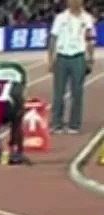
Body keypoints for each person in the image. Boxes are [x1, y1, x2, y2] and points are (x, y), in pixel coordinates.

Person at [48, 0, 95, 134]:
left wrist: (90, 58)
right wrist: (51, 59)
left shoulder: (87, 18)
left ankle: (74, 124)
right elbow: (53, 38)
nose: (74, 2)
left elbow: (90, 39)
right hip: (62, 56)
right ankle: (56, 123)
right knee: (59, 92)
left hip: (78, 57)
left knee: (77, 92)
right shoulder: (60, 18)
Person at [0, 61, 29, 165]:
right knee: (15, 124)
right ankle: (14, 150)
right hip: (10, 108)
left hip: (9, 107)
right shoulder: (17, 84)